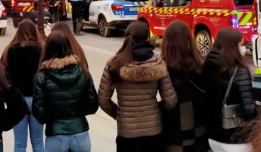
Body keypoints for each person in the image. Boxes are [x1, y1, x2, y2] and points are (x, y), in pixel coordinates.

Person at [98, 21, 177, 152]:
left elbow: (103, 100)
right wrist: (155, 110)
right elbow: (170, 100)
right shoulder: (158, 63)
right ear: (147, 37)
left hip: (127, 133)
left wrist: (119, 114)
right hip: (154, 131)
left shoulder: (114, 64)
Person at [32, 31, 98, 152]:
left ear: (47, 48)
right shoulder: (83, 72)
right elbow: (93, 106)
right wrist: (76, 113)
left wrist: (52, 117)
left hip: (55, 135)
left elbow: (38, 113)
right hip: (80, 132)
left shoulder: (42, 77)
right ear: (69, 47)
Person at [203, 28, 257, 151]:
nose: (243, 48)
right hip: (236, 136)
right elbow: (248, 111)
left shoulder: (207, 65)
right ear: (233, 47)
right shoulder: (240, 72)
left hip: (212, 133)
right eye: (241, 45)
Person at [160, 20, 209, 151]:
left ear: (167, 43)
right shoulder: (201, 67)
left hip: (173, 137)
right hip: (200, 135)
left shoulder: (164, 70)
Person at [0, 19, 45, 152]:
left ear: (18, 32)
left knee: (19, 144)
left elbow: (3, 76)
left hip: (17, 101)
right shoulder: (41, 49)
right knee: (38, 142)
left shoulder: (9, 50)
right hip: (37, 99)